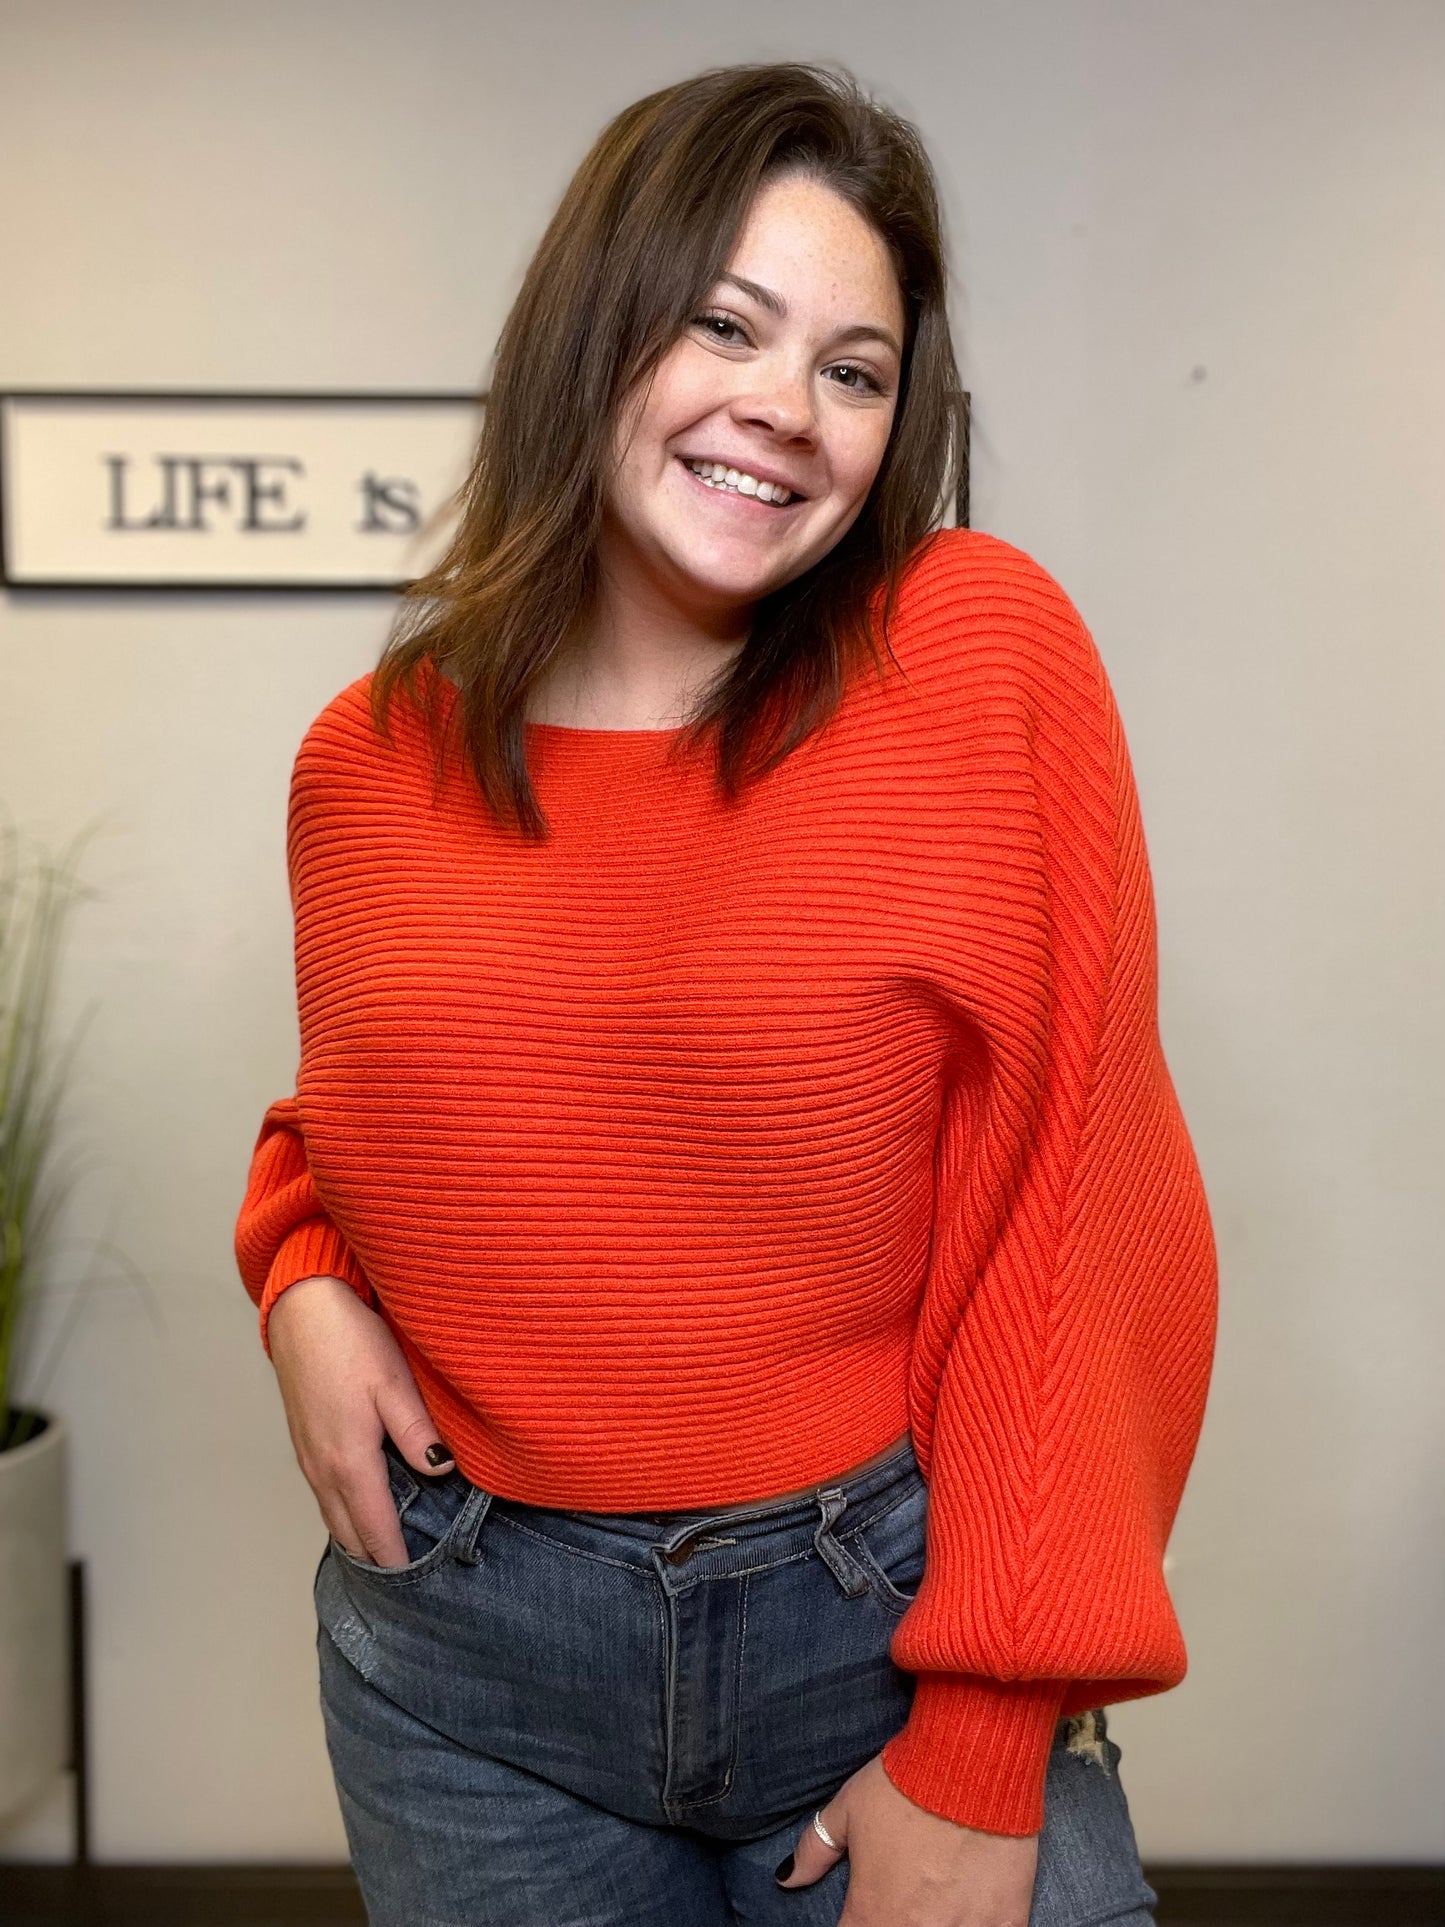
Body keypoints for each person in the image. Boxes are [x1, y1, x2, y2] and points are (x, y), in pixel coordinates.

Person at [235, 60, 1217, 1927]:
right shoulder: (369, 756)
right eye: (725, 325)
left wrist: (983, 1735)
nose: (787, 406)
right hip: (467, 1665)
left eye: (855, 370)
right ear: (595, 329)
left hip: (873, 1630)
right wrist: (297, 1273)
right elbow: (388, 1115)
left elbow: (1082, 1198)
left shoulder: (971, 655)